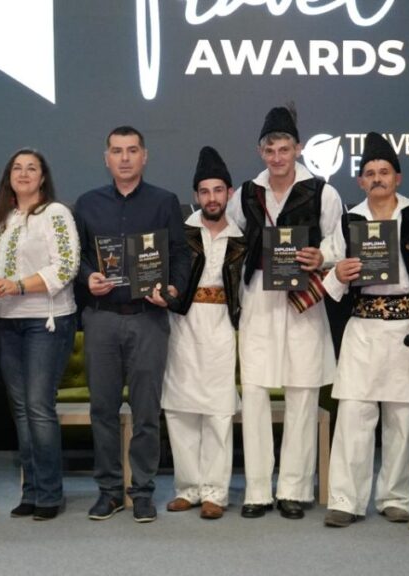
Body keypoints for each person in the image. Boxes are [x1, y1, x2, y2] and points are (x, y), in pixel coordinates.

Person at [225, 104, 345, 519]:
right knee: (255, 392)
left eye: (284, 149)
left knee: (302, 392)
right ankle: (258, 490)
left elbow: (339, 242)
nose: (277, 157)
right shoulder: (245, 193)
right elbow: (232, 242)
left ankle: (295, 489)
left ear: (298, 149)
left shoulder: (324, 192)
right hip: (259, 296)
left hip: (303, 298)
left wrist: (321, 255)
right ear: (261, 151)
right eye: (270, 150)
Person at [74, 125, 190, 523]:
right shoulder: (87, 204)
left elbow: (180, 254)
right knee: (102, 410)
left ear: (144, 156)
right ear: (106, 157)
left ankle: (142, 491)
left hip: (148, 319)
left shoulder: (165, 202)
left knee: (146, 412)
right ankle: (108, 491)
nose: (124, 158)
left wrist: (172, 290)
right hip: (101, 319)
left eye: (132, 150)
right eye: (117, 151)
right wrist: (87, 276)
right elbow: (78, 256)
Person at [321, 132, 409, 528]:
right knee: (354, 415)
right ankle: (345, 500)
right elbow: (331, 275)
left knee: (401, 418)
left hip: (407, 327)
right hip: (363, 327)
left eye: (384, 172)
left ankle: (395, 497)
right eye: (369, 173)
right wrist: (338, 272)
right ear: (360, 181)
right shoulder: (349, 220)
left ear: (397, 177)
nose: (377, 179)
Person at [0, 148, 79, 521]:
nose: (23, 173)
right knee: (22, 410)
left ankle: (50, 493)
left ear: (43, 177)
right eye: (17, 168)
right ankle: (32, 490)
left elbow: (67, 265)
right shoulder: (3, 220)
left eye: (32, 168)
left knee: (39, 408)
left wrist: (20, 286)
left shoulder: (55, 214)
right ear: (8, 177)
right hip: (8, 322)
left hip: (46, 321)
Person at [161, 146, 246, 520]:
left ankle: (215, 492)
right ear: (196, 195)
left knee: (218, 412)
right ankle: (187, 488)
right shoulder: (181, 233)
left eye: (218, 190)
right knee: (180, 410)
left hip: (221, 328)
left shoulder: (242, 237)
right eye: (205, 191)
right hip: (183, 326)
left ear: (229, 193)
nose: (212, 198)